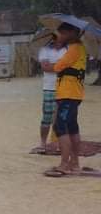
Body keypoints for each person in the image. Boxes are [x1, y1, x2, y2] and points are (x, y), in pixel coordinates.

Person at [41, 22, 87, 175]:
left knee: (61, 126)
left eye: (62, 34)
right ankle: (74, 163)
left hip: (69, 94)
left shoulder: (74, 49)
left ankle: (65, 164)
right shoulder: (76, 48)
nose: (59, 37)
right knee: (72, 127)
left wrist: (49, 66)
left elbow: (59, 66)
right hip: (71, 93)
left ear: (71, 33)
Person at [37, 35, 66, 153]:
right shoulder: (44, 50)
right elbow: (45, 67)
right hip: (49, 88)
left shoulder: (67, 50)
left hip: (64, 88)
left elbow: (69, 67)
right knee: (47, 117)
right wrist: (61, 65)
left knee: (61, 118)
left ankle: (59, 142)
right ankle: (43, 142)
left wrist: (53, 65)